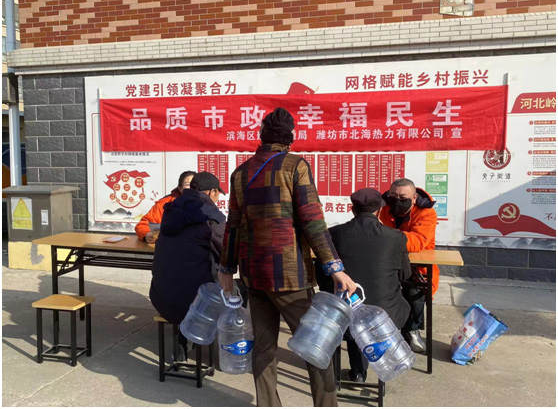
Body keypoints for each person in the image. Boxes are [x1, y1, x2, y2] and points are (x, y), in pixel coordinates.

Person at [218, 107, 356, 407]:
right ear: (290, 137)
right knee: (315, 347)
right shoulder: (295, 166)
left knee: (264, 347)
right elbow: (312, 221)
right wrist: (334, 267)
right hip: (290, 275)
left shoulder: (240, 173)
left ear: (262, 135)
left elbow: (233, 225)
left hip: (254, 275)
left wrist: (226, 268)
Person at [321, 188, 411, 383]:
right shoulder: (396, 237)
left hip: (344, 312)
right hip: (386, 314)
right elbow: (405, 275)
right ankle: (383, 361)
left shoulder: (334, 234)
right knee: (391, 305)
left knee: (355, 308)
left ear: (353, 209)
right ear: (379, 211)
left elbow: (323, 276)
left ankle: (358, 372)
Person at [149, 171, 226, 359]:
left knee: (189, 280)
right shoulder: (211, 216)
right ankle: (229, 348)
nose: (218, 198)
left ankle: (182, 345)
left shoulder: (170, 211)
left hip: (160, 298)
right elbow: (227, 253)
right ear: (212, 192)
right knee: (240, 291)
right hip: (193, 304)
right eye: (218, 193)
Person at [379, 178, 438, 353]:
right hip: (389, 260)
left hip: (417, 265)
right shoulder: (383, 208)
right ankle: (388, 330)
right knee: (382, 291)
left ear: (413, 198)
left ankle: (412, 330)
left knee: (415, 294)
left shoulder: (427, 213)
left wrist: (386, 236)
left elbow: (417, 242)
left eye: (403, 198)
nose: (397, 201)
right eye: (393, 196)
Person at [135, 170, 196, 243]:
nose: (192, 187)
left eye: (194, 184)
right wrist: (146, 234)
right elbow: (143, 224)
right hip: (169, 246)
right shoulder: (165, 204)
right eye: (188, 184)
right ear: (180, 188)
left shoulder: (205, 204)